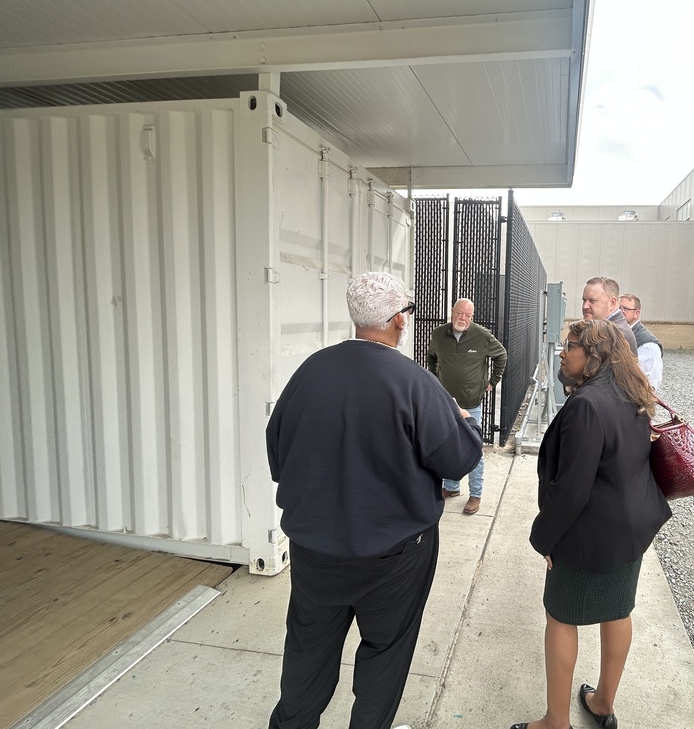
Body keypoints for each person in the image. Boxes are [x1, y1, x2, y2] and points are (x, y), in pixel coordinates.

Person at [267, 272, 483, 729]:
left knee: (307, 648)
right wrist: (464, 420)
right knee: (385, 654)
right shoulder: (414, 382)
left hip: (315, 550)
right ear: (399, 320)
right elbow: (459, 458)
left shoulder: (310, 372)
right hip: (395, 556)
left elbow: (277, 449)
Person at [512, 319, 672, 729]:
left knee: (560, 618)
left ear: (595, 355)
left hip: (588, 535)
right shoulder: (632, 392)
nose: (562, 352)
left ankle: (556, 721)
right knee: (617, 611)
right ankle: (602, 703)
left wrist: (544, 538)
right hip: (631, 532)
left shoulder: (587, 404)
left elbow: (572, 489)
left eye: (571, 346)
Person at [426, 297, 508, 515]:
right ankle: (452, 487)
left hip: (471, 403)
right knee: (446, 445)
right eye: (460, 313)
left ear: (472, 317)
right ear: (452, 311)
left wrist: (492, 382)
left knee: (474, 449)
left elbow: (501, 356)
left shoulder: (482, 336)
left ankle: (475, 494)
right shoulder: (438, 334)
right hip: (445, 402)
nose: (463, 318)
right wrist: (435, 380)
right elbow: (431, 357)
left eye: (468, 315)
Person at [619, 293, 663, 389]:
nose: (621, 312)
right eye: (618, 308)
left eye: (625, 309)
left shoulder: (648, 344)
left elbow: (650, 384)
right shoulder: (616, 334)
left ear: (636, 313)